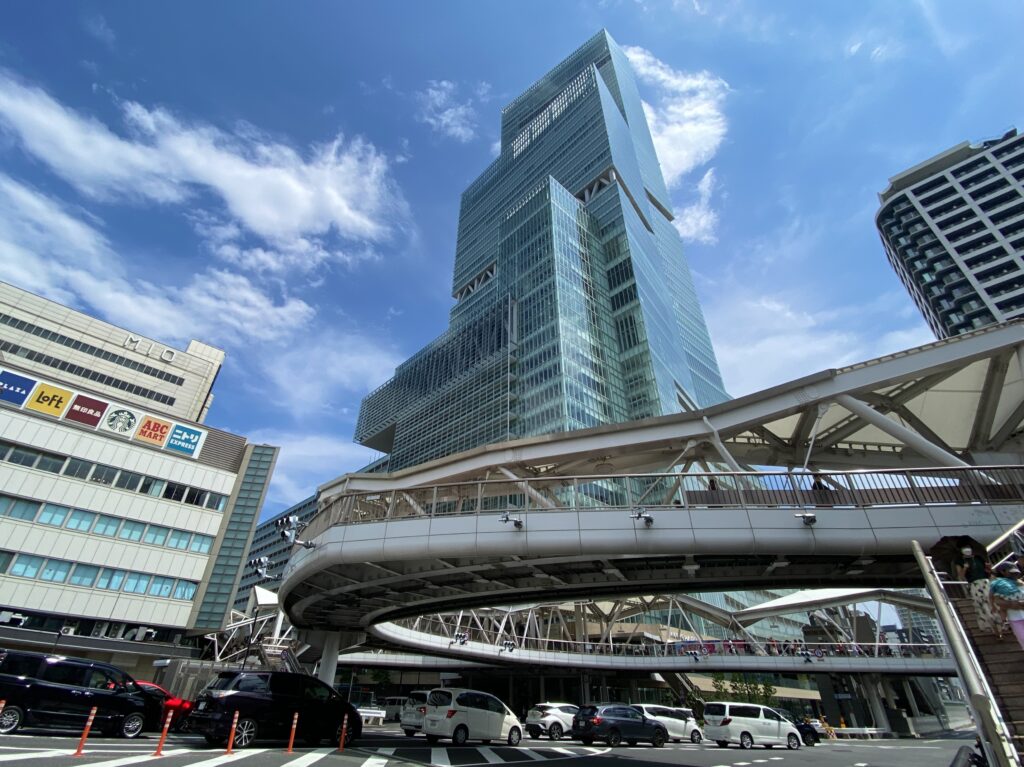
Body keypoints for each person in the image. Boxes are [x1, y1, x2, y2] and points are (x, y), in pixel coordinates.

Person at [954, 542, 995, 634]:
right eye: (964, 548)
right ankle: (986, 625)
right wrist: (965, 568)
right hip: (974, 584)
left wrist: (989, 568)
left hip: (986, 581)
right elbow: (960, 575)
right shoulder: (959, 561)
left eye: (968, 547)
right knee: (980, 603)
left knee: (992, 601)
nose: (967, 549)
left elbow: (989, 570)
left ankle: (999, 623)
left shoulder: (978, 558)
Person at [989, 562, 1024, 648]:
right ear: (1002, 572)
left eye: (1016, 572)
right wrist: (1012, 604)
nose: (1015, 574)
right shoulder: (1000, 586)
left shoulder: (1021, 584)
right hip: (1015, 619)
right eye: (1012, 572)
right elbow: (998, 601)